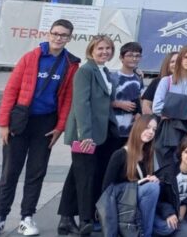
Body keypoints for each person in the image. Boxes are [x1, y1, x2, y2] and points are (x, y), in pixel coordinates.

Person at [0, 18, 79, 237]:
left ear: (69, 38)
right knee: (10, 172)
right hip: (20, 121)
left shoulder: (71, 64)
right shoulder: (31, 57)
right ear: (49, 34)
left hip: (46, 124)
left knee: (36, 172)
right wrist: (3, 123)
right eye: (55, 33)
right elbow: (11, 90)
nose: (58, 38)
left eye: (63, 35)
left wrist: (60, 127)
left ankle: (27, 217)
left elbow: (67, 98)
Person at [57, 35, 116, 236]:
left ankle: (65, 219)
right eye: (100, 48)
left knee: (76, 174)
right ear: (91, 50)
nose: (104, 52)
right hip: (85, 134)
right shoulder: (85, 71)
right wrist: (85, 135)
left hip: (101, 133)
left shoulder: (104, 71)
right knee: (85, 177)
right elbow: (81, 104)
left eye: (108, 48)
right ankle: (85, 220)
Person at [100, 115, 160, 236]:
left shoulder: (148, 155)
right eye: (147, 127)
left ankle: (137, 227)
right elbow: (106, 189)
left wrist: (154, 179)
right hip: (123, 204)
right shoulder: (120, 154)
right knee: (151, 188)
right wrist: (137, 184)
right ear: (138, 127)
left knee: (167, 227)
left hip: (140, 203)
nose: (151, 132)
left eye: (154, 129)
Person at [107, 42, 145, 161]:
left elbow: (140, 99)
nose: (134, 58)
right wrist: (119, 104)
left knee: (126, 160)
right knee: (111, 159)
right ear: (121, 58)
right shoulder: (112, 78)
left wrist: (139, 114)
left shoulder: (138, 78)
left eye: (137, 56)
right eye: (130, 55)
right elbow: (102, 101)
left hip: (132, 130)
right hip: (113, 128)